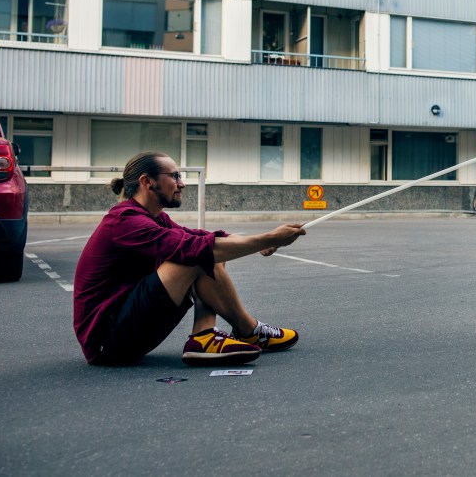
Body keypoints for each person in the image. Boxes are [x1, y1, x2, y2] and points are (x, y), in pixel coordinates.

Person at [73, 152, 307, 366]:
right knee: (194, 254)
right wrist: (268, 239)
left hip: (125, 330)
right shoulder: (125, 220)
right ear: (147, 181)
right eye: (174, 176)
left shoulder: (155, 217)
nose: (182, 183)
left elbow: (200, 237)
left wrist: (265, 240)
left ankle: (205, 336)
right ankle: (248, 330)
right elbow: (193, 247)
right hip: (106, 341)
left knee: (205, 251)